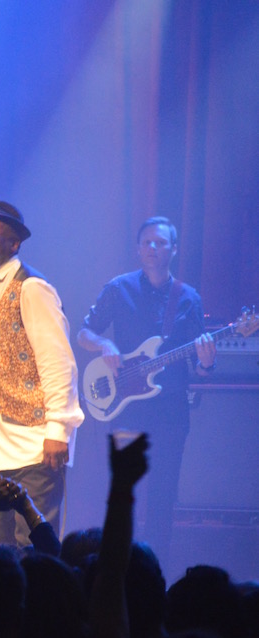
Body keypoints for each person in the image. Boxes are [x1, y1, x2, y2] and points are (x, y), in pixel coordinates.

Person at [77, 216, 216, 572]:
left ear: (173, 250)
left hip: (170, 412)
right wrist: (105, 343)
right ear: (138, 248)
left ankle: (154, 576)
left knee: (163, 498)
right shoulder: (118, 288)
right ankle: (114, 573)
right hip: (124, 409)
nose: (153, 248)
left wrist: (205, 362)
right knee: (122, 493)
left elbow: (199, 370)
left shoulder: (188, 298)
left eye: (160, 243)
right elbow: (84, 333)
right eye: (147, 242)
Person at [0, 200, 84, 547]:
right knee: (2, 552)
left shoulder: (32, 288)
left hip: (33, 447)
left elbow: (59, 362)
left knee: (34, 550)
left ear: (14, 243)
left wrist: (58, 428)